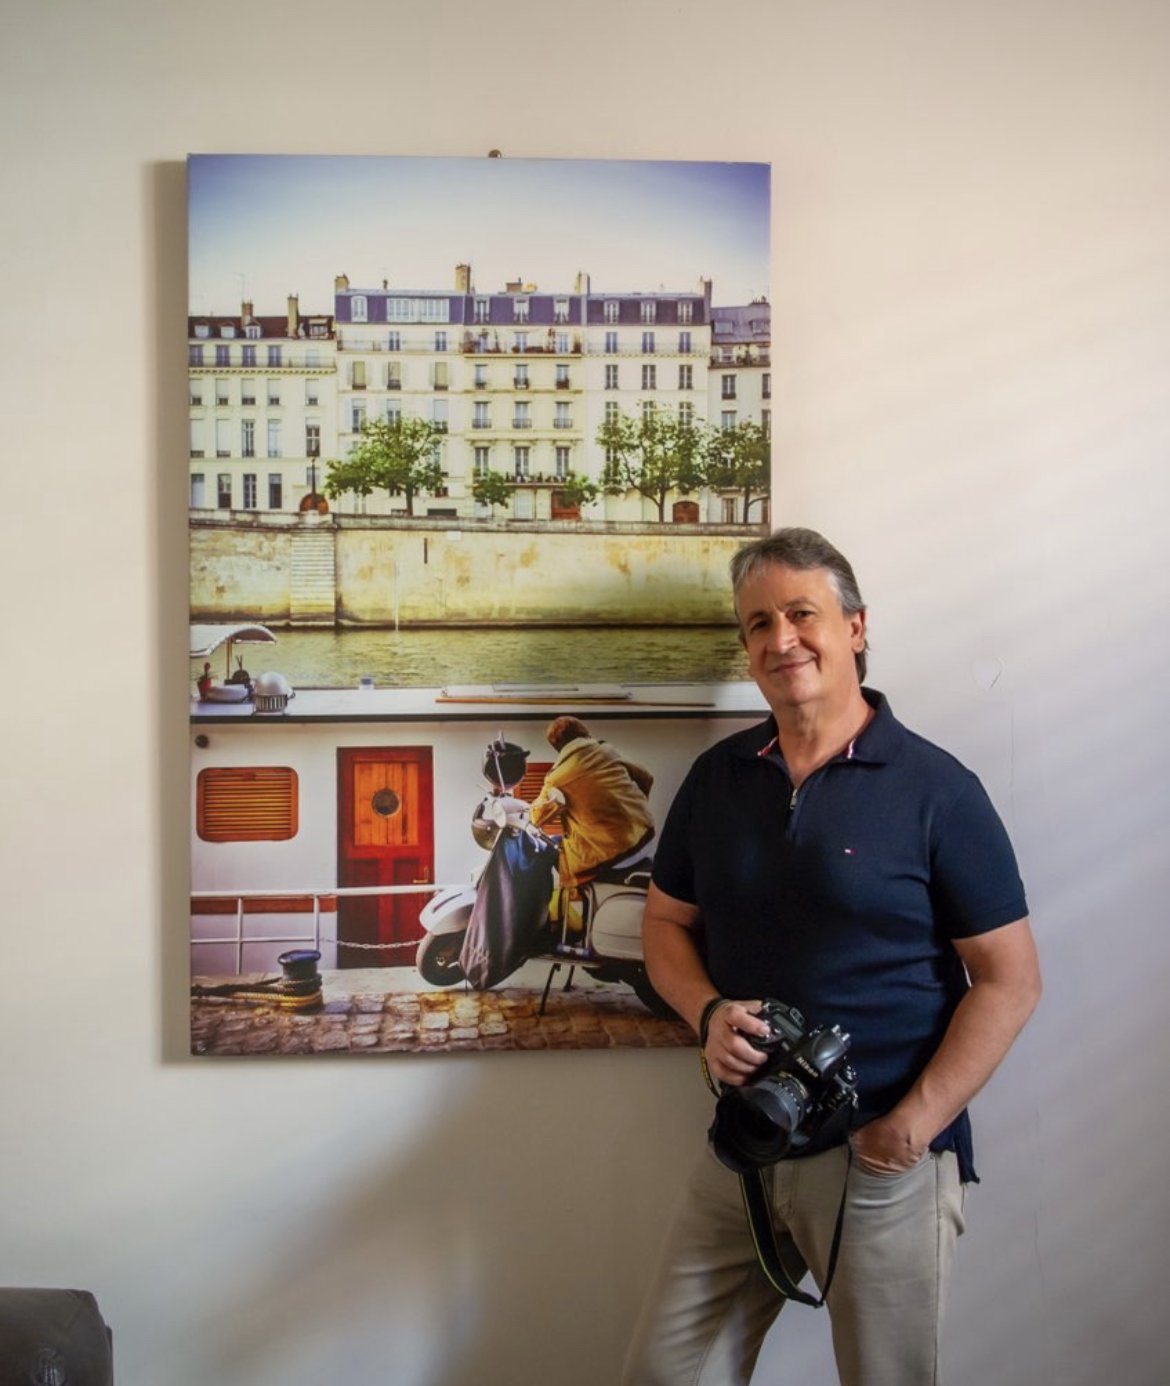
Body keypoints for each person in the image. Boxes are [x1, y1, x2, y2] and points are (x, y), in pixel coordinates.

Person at [622, 528, 1041, 1386]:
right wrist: (706, 1013)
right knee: (666, 1373)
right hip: (743, 1145)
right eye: (758, 623)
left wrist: (913, 1128)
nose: (781, 640)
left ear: (855, 626)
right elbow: (663, 927)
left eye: (802, 613)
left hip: (882, 1155)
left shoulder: (937, 790)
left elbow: (1010, 979)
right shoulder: (717, 778)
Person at [528, 716, 655, 887]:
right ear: (584, 732)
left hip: (610, 859)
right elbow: (646, 778)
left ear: (557, 747)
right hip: (643, 839)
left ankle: (554, 907)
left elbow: (536, 818)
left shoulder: (557, 777)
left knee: (548, 847)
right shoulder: (607, 751)